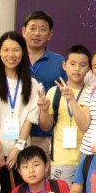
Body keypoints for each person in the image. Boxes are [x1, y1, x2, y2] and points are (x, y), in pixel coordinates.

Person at [0, 32, 42, 193]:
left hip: (17, 152)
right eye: (6, 50)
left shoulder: (32, 84)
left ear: (23, 52)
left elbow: (29, 120)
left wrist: (18, 147)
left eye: (15, 50)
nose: (10, 55)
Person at [37, 45, 91, 181]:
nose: (77, 69)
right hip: (61, 158)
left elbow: (86, 126)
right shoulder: (54, 92)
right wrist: (44, 110)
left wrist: (72, 100)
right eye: (72, 64)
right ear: (64, 65)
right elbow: (46, 126)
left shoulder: (92, 93)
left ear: (89, 68)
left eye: (82, 65)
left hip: (88, 157)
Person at [21, 10, 66, 153]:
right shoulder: (13, 59)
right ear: (24, 31)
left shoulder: (60, 63)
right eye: (32, 28)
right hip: (16, 133)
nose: (37, 33)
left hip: (47, 134)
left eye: (42, 29)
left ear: (50, 34)